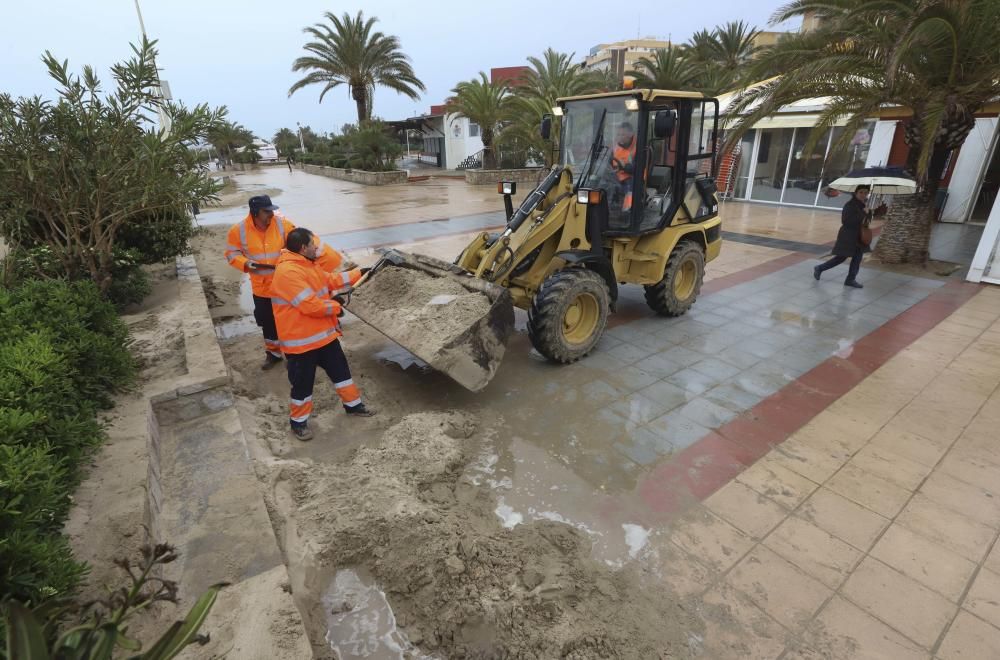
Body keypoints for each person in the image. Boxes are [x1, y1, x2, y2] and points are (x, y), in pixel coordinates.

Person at [271, 227, 374, 441]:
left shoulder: (307, 264)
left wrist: (360, 273)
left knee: (341, 373)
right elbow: (310, 306)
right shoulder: (288, 273)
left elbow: (330, 280)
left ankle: (354, 407)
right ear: (303, 247)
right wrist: (336, 306)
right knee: (303, 384)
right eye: (313, 244)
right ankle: (298, 424)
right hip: (301, 344)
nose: (317, 248)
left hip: (324, 337)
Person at [224, 195, 341, 369]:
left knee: (292, 321)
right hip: (262, 288)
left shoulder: (281, 224)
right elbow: (232, 253)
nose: (271, 214)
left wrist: (319, 255)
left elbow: (301, 240)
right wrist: (245, 263)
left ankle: (295, 355)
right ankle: (273, 353)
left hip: (287, 286)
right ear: (255, 212)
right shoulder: (238, 231)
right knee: (267, 321)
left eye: (272, 210)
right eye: (266, 211)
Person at [814, 185, 870, 288]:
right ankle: (820, 268)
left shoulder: (863, 205)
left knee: (857, 258)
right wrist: (863, 213)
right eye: (861, 192)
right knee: (841, 257)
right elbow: (846, 221)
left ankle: (850, 279)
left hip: (859, 236)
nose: (863, 195)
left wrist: (869, 213)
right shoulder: (850, 205)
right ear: (856, 193)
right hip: (848, 236)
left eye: (866, 193)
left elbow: (865, 221)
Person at [611, 121, 637, 211]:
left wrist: (624, 167)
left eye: (623, 135)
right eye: (619, 135)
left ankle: (627, 210)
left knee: (630, 188)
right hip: (616, 177)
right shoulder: (616, 148)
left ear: (630, 135)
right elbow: (608, 162)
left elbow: (638, 168)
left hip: (632, 178)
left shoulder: (639, 148)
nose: (620, 137)